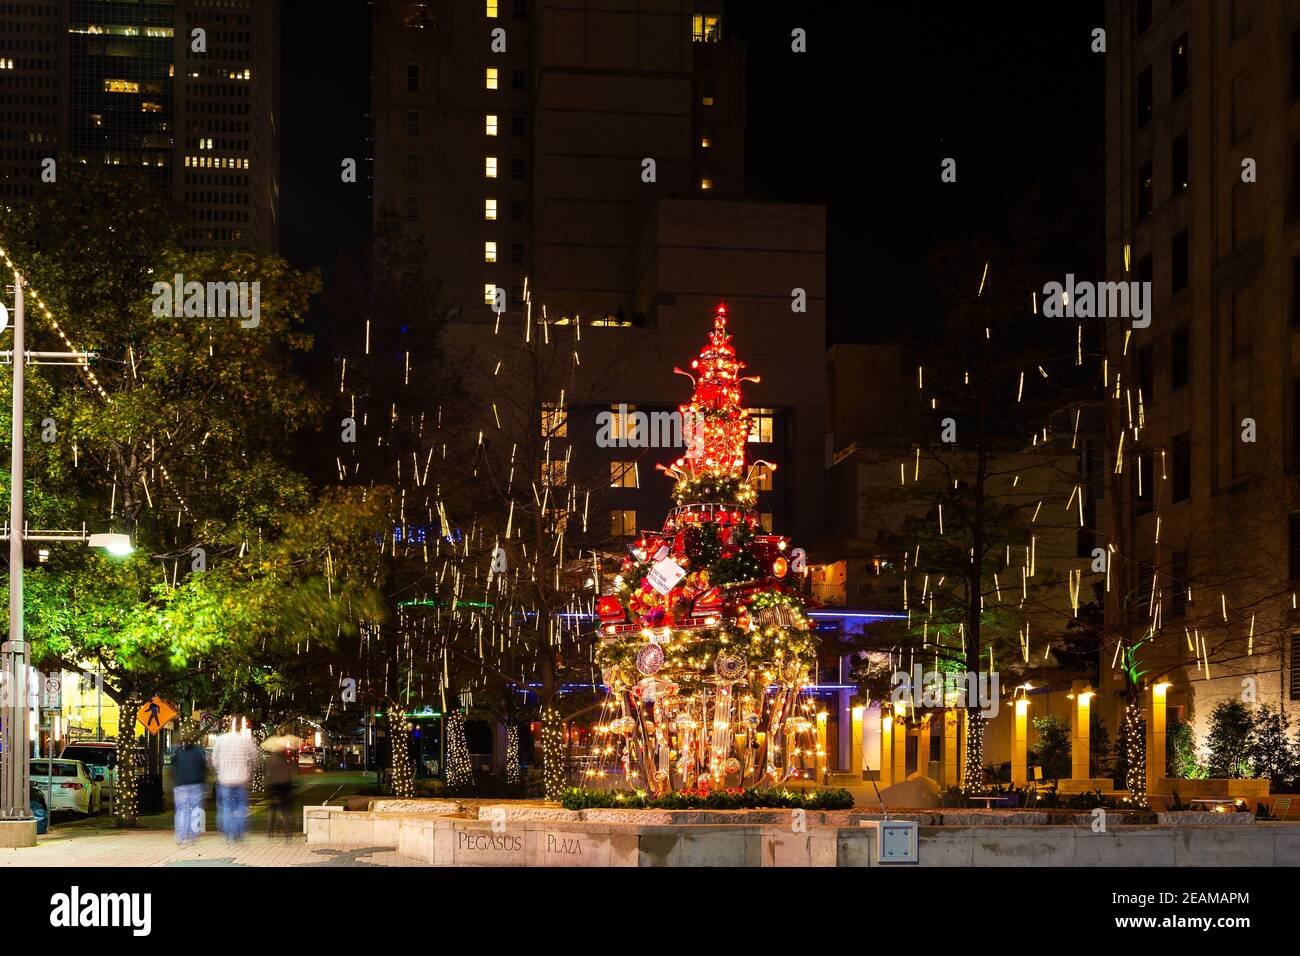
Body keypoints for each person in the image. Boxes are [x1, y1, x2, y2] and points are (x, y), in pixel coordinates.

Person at [211, 722, 258, 841]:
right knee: (240, 807)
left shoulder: (221, 740)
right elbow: (255, 757)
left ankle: (228, 833)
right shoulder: (245, 740)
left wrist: (219, 770)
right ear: (240, 727)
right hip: (241, 779)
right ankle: (239, 832)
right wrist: (249, 771)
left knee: (226, 807)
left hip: (225, 780)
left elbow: (213, 759)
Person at [172, 731, 208, 846]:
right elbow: (204, 768)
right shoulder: (199, 752)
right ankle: (193, 836)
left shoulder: (177, 752)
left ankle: (181, 836)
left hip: (181, 784)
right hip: (196, 784)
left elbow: (173, 768)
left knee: (182, 810)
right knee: (195, 810)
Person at [264, 745, 296, 838]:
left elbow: (267, 775)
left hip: (273, 787)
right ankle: (288, 832)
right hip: (284, 787)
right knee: (285, 810)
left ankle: (270, 831)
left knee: (272, 810)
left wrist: (267, 787)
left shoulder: (269, 760)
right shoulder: (285, 760)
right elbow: (289, 774)